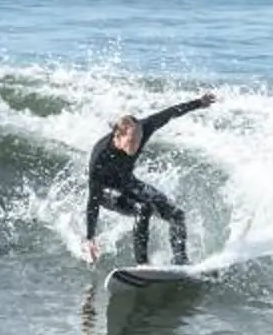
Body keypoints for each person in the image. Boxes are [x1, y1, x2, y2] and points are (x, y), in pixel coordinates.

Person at [84, 92, 217, 264]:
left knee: (176, 214)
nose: (136, 145)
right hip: (105, 192)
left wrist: (198, 103)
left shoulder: (144, 127)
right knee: (143, 208)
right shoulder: (100, 155)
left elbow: (170, 113)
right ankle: (142, 264)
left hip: (127, 182)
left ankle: (181, 260)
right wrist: (90, 237)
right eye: (131, 141)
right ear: (118, 135)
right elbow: (93, 200)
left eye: (139, 140)